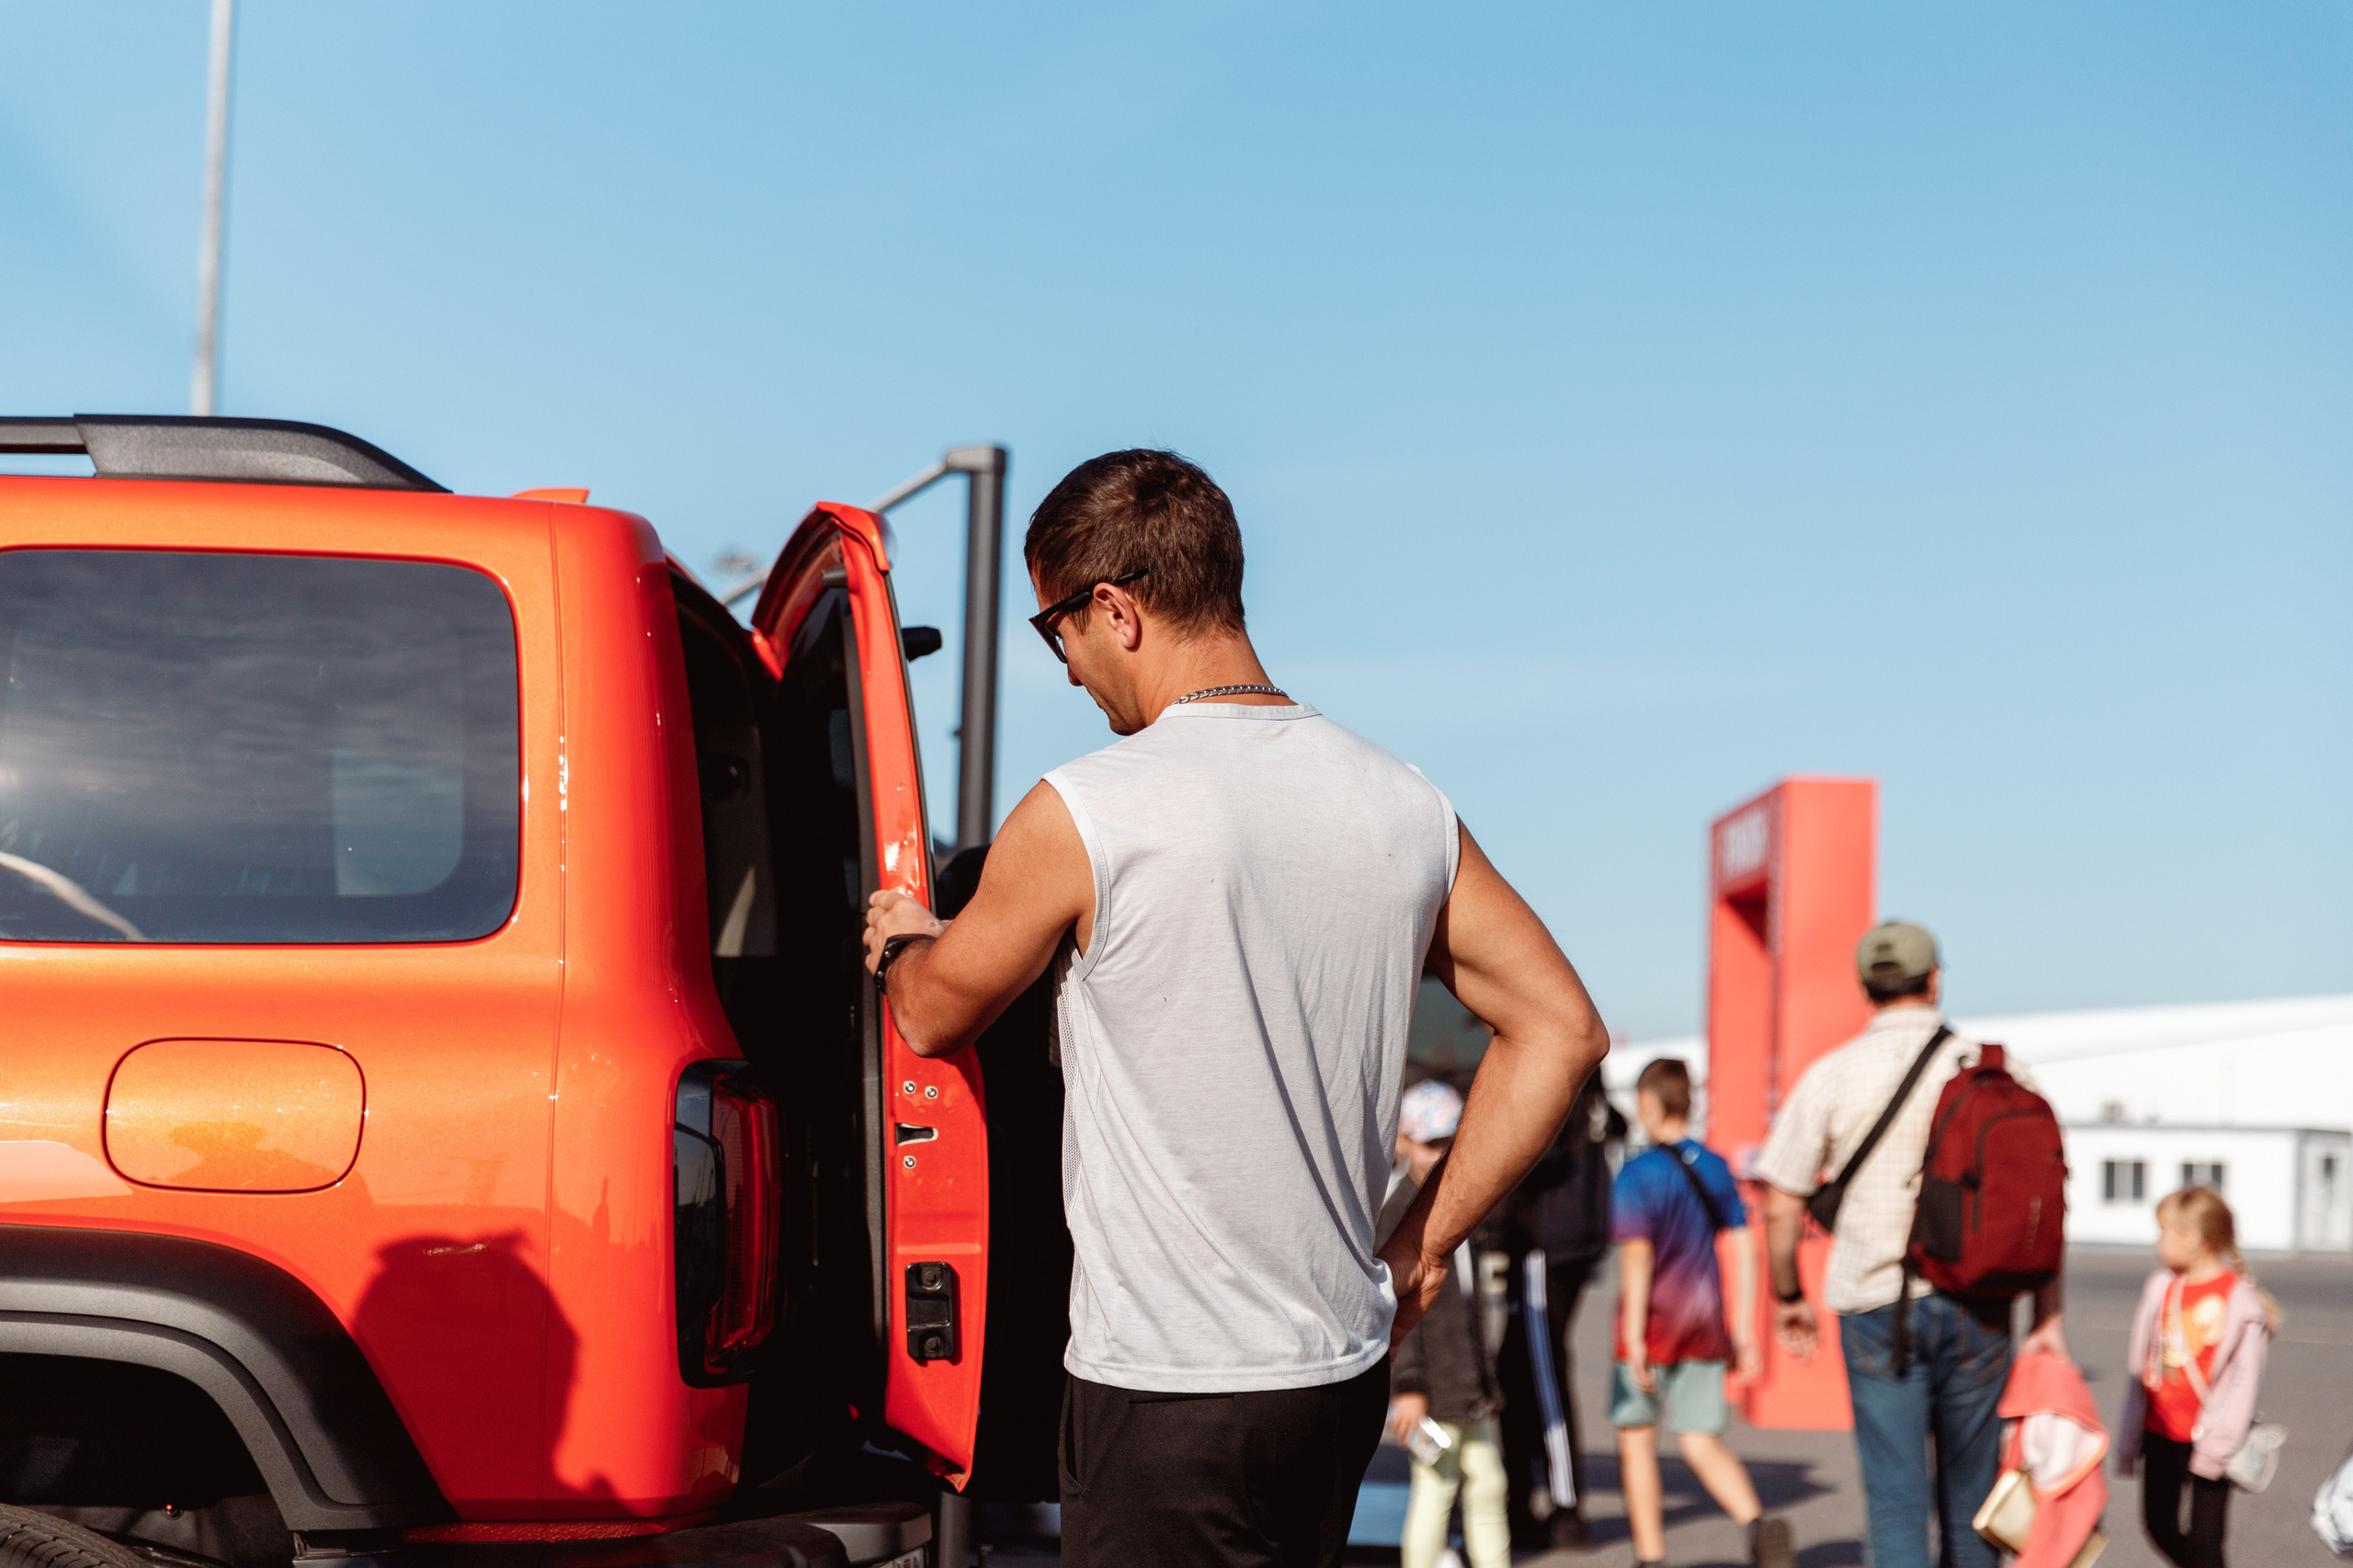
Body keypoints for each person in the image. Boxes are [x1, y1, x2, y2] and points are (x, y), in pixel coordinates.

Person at [859, 449, 1611, 1568]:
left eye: (1054, 629)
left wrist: (904, 940)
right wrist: (1421, 1244)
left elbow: (931, 1014)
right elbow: (1562, 1028)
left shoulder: (1091, 808)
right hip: (1334, 1374)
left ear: (1113, 608)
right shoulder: (1400, 801)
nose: (1065, 669)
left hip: (1164, 1390)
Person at [1754, 920, 2067, 1568]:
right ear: (1935, 979)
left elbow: (1781, 1204)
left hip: (1875, 1307)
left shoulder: (1832, 1075)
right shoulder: (1999, 1069)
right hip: (1981, 1305)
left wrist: (1788, 1294)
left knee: (1896, 1504)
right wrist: (2048, 1317)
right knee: (1972, 1499)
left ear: (1865, 987)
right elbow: (2045, 1203)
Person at [1610, 1059, 1792, 1568]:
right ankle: (1759, 1526)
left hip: (1651, 1326)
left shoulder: (1636, 1173)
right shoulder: (1713, 1165)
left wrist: (1634, 1338)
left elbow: (1637, 1258)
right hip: (1705, 1324)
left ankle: (1651, 1558)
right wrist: (1743, 1330)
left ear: (1648, 1103)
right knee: (1699, 1439)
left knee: (1637, 1444)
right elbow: (1743, 1245)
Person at [1381, 1080, 1510, 1568]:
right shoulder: (1396, 1214)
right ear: (1404, 1142)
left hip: (1466, 1385)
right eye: (1430, 1142)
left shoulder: (1464, 1207)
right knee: (1437, 1487)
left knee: (1489, 1484)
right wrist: (1408, 1385)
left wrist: (1485, 1381)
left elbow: (1473, 1306)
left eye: (1448, 1143)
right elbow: (1393, 1304)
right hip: (1430, 1388)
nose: (1440, 1154)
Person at [1495, 1070, 1623, 1550]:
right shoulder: (1589, 1089)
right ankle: (1524, 1496)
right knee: (1515, 1370)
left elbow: (1527, 1155)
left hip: (1542, 1244)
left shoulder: (1552, 1082)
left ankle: (1565, 1507)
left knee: (1543, 1374)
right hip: (1567, 1243)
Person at [2117, 1187, 2277, 1568]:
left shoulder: (2240, 1300)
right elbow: (2139, 1365)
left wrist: (2218, 1446)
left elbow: (2243, 1381)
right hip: (2159, 1430)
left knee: (2207, 1541)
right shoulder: (2161, 1287)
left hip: (2211, 1437)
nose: (2157, 1242)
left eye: (2163, 1231)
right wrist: (2128, 1437)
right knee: (2158, 1525)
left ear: (2191, 1239)